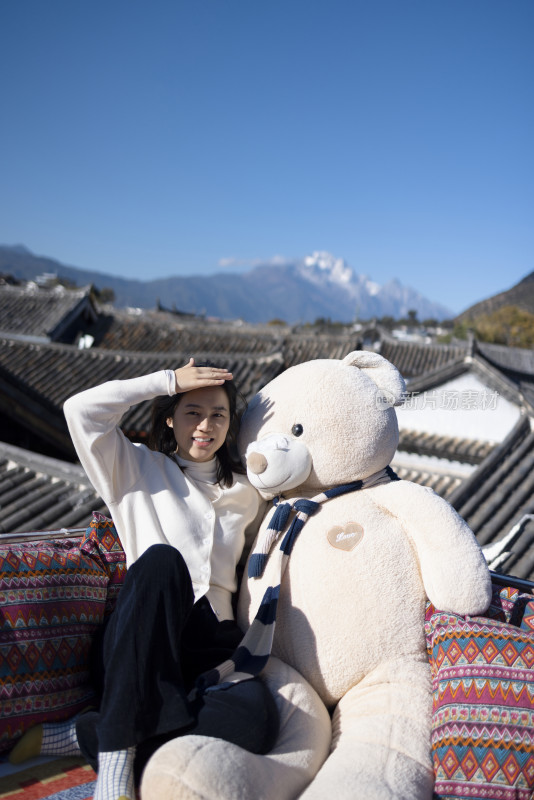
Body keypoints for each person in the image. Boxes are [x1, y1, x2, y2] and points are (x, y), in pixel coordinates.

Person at [10, 358, 278, 800]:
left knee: (253, 722)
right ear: (169, 417)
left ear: (231, 426)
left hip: (211, 648)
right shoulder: (133, 467)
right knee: (161, 562)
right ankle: (117, 759)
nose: (204, 426)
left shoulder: (247, 494)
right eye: (192, 412)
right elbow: (80, 410)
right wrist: (167, 381)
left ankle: (90, 734)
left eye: (218, 415)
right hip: (140, 640)